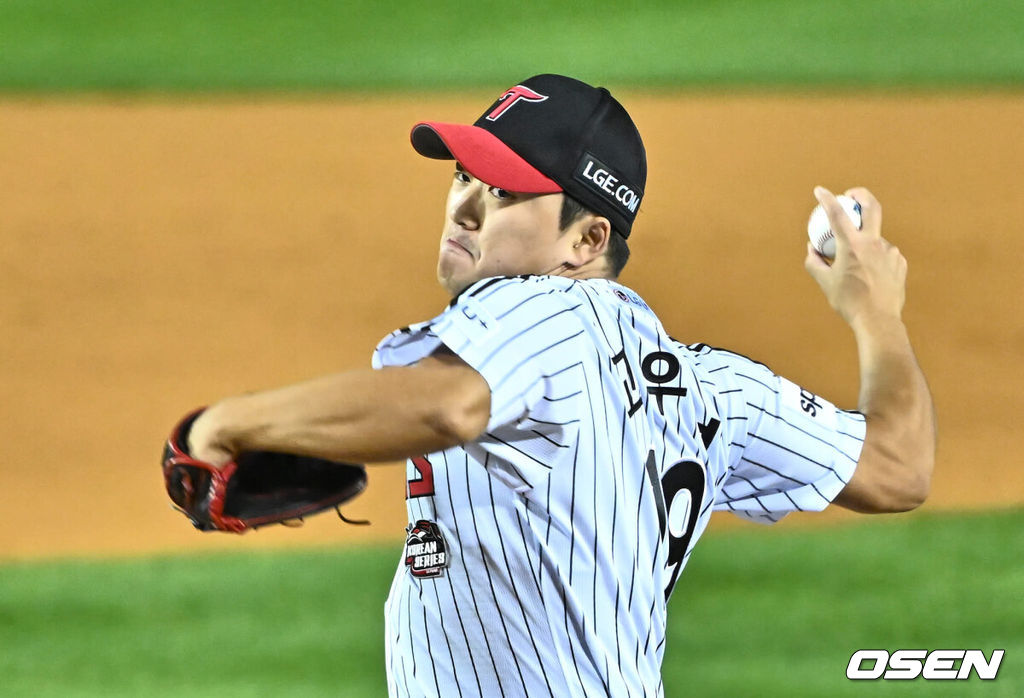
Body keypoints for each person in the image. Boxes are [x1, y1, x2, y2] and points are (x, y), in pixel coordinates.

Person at [186, 74, 936, 697]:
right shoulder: (714, 388)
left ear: (586, 241)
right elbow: (898, 468)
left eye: (506, 194)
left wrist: (225, 426)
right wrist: (877, 316)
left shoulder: (540, 310)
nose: (466, 205)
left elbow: (446, 405)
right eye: (464, 175)